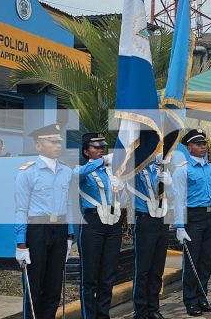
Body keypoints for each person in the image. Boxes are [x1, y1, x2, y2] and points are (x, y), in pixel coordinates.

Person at [14, 124, 74, 319]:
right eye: (53, 141)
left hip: (60, 229)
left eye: (59, 141)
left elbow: (69, 205)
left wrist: (69, 235)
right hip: (37, 229)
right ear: (39, 146)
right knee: (34, 282)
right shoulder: (28, 172)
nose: (58, 145)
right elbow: (21, 210)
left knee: (54, 283)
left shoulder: (66, 171)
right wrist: (21, 243)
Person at [75, 133, 127, 319]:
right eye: (96, 147)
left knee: (108, 274)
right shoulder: (82, 170)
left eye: (102, 147)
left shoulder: (112, 173)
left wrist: (122, 188)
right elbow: (76, 175)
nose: (100, 150)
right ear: (86, 151)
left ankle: (103, 314)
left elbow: (123, 201)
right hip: (93, 224)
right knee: (90, 277)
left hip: (113, 224)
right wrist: (102, 161)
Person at [172, 129, 211, 317]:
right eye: (198, 144)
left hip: (209, 217)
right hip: (193, 218)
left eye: (204, 144)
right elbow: (178, 199)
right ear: (188, 147)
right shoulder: (182, 170)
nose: (203, 146)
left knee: (206, 260)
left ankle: (203, 297)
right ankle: (190, 300)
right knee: (193, 261)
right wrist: (179, 226)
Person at [129, 152, 173, 319]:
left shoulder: (163, 169)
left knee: (157, 269)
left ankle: (153, 308)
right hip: (145, 220)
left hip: (162, 221)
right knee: (143, 270)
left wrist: (169, 183)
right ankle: (140, 311)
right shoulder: (138, 169)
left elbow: (174, 195)